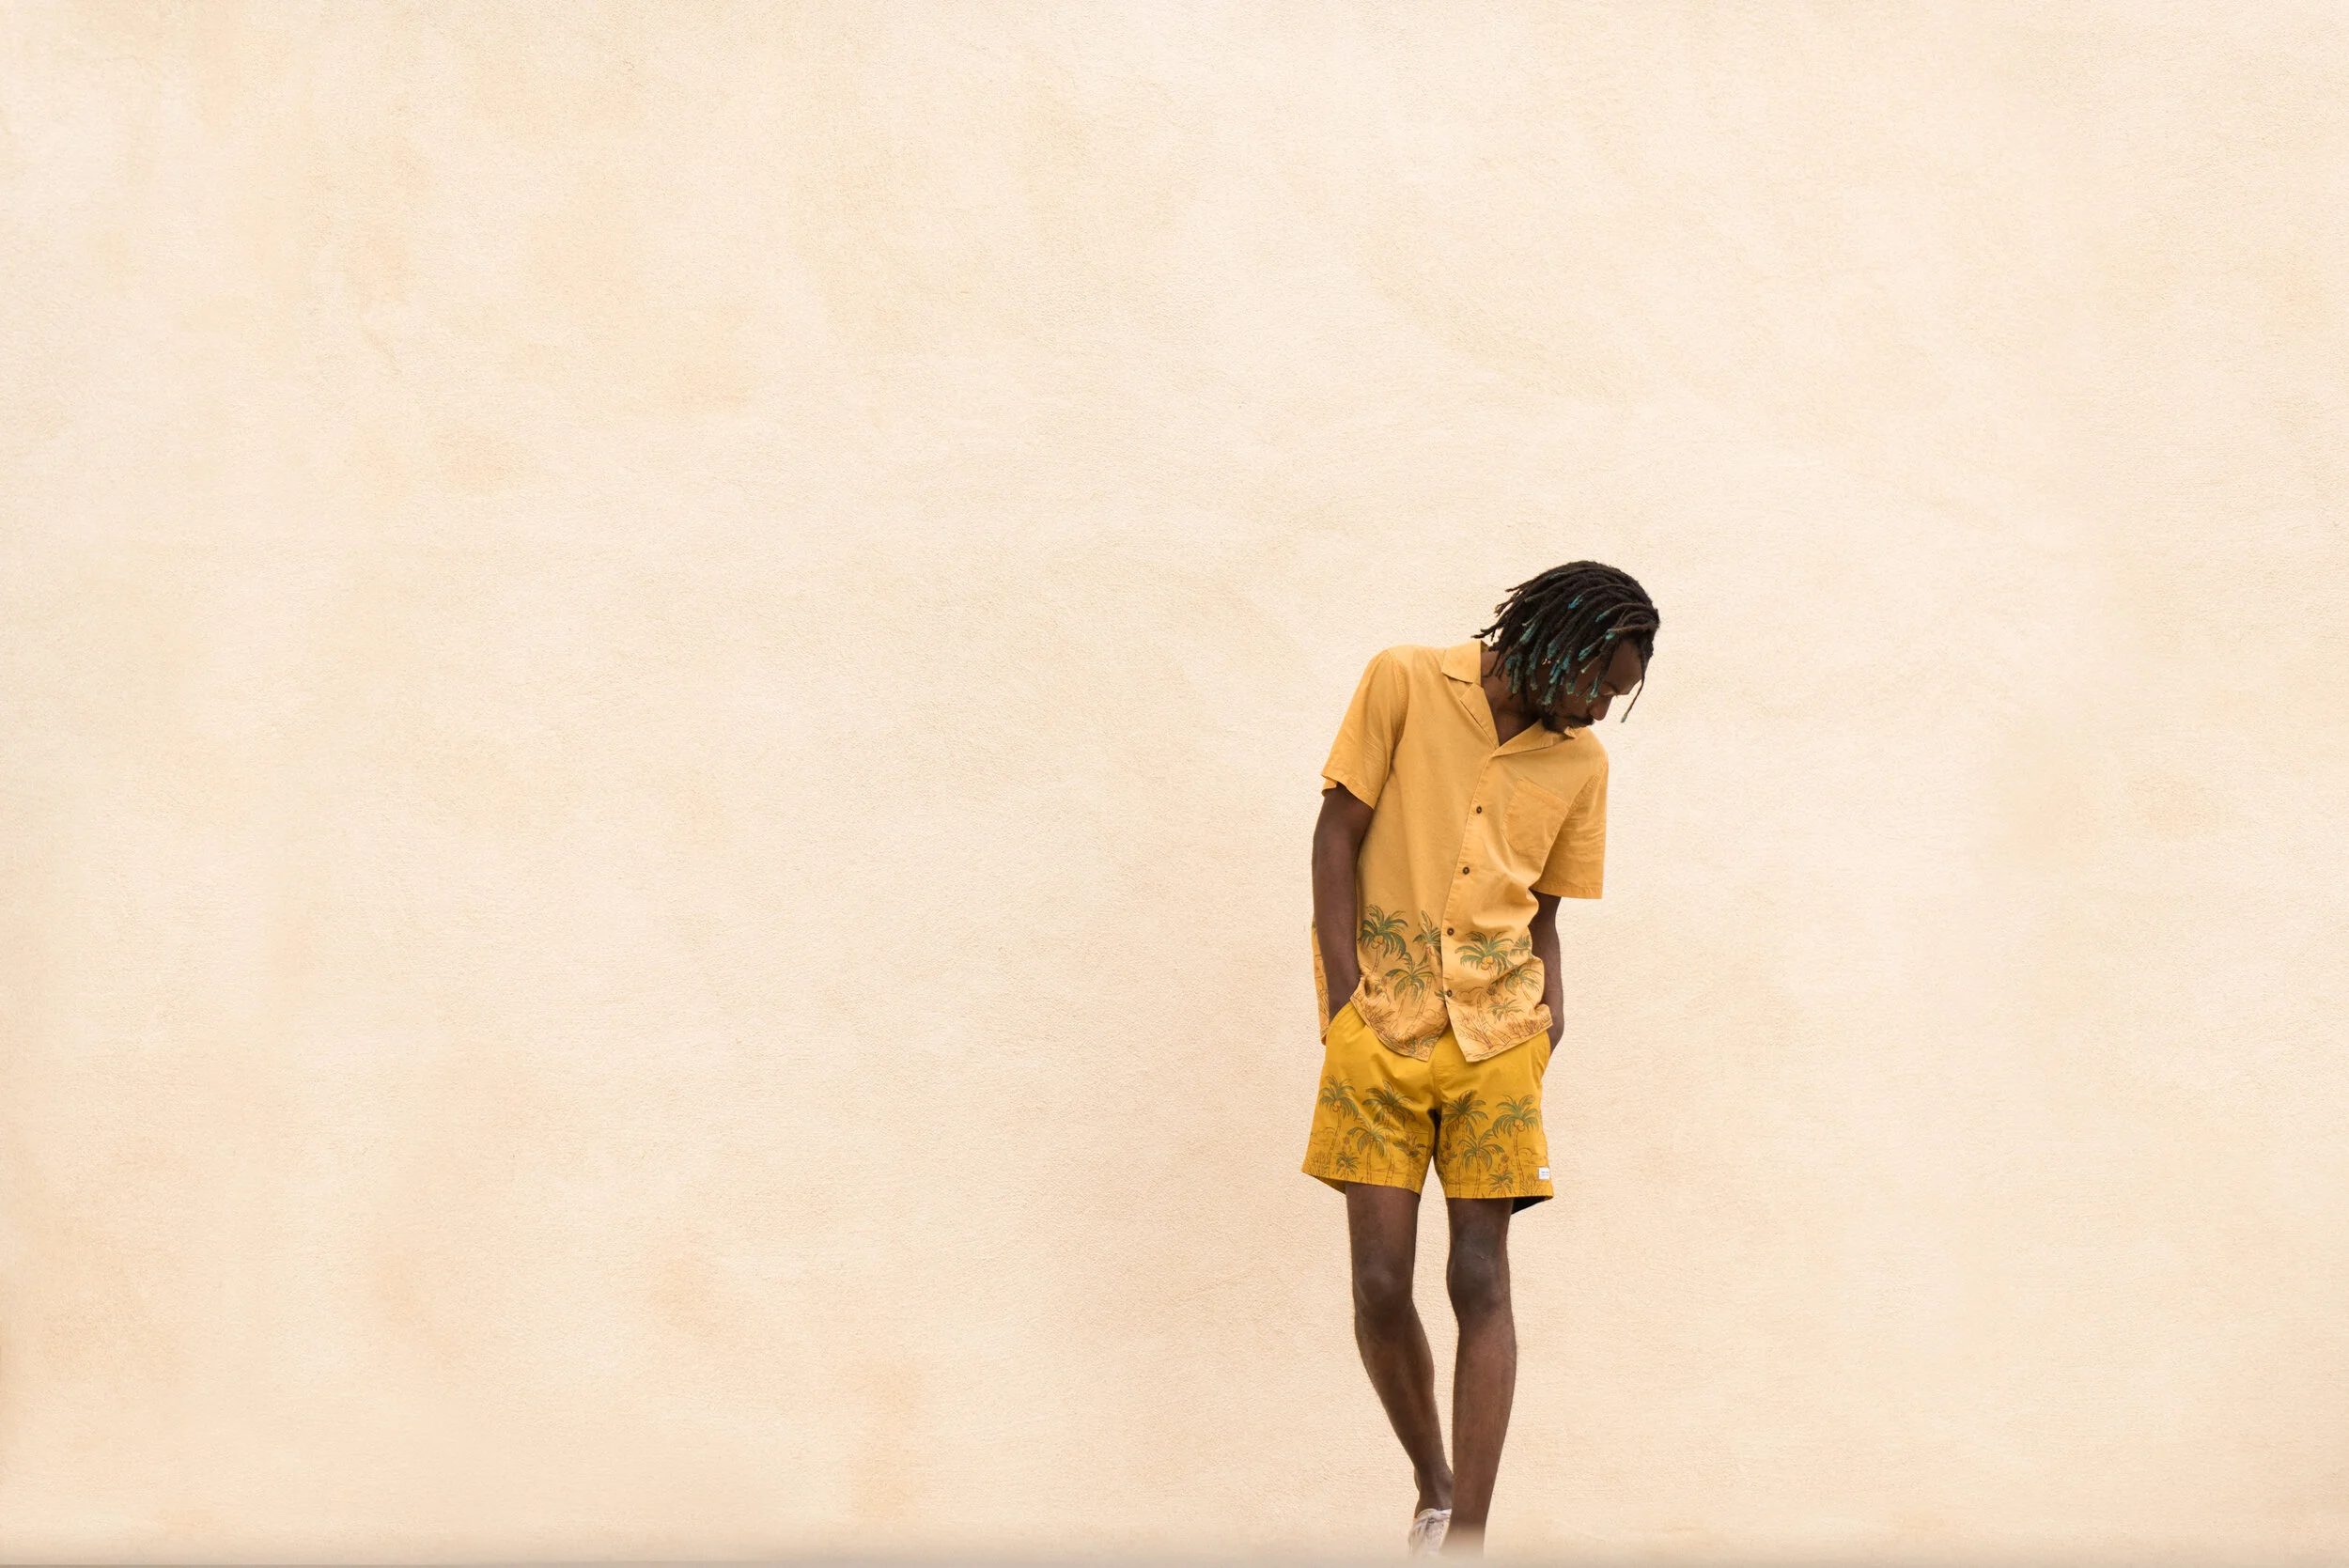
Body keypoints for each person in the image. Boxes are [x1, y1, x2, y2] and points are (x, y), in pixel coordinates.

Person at [1302, 562, 1658, 1557]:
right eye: (1599, 683)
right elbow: (1335, 837)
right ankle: (1434, 1483)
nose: (1600, 709)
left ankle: (1465, 1537)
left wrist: (1550, 1016)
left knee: (1479, 1275)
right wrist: (1345, 998)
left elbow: (1542, 912)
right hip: (1379, 1026)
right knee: (1380, 1282)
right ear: (1559, 641)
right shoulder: (1404, 680)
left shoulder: (1581, 764)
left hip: (1498, 1037)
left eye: (1617, 696)